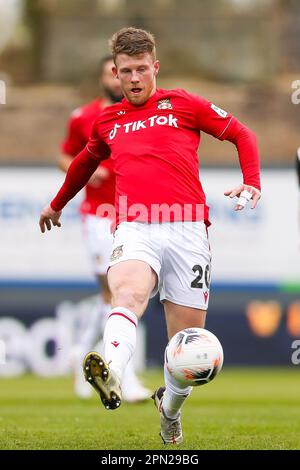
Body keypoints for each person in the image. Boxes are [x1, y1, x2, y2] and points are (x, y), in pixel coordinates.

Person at [39, 27, 261, 444]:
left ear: (155, 67)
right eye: (126, 71)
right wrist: (57, 203)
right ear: (116, 74)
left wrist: (252, 181)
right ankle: (113, 372)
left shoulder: (184, 104)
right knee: (126, 293)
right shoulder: (109, 119)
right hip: (136, 225)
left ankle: (169, 409)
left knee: (187, 346)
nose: (135, 78)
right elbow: (84, 163)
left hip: (188, 229)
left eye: (142, 69)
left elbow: (241, 134)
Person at [59, 54, 150, 402]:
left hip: (135, 215)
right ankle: (125, 377)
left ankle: (81, 352)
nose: (117, 81)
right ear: (105, 78)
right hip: (99, 214)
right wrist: (83, 168)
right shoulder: (84, 117)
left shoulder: (144, 116)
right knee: (118, 296)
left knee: (119, 297)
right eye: (112, 75)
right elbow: (64, 156)